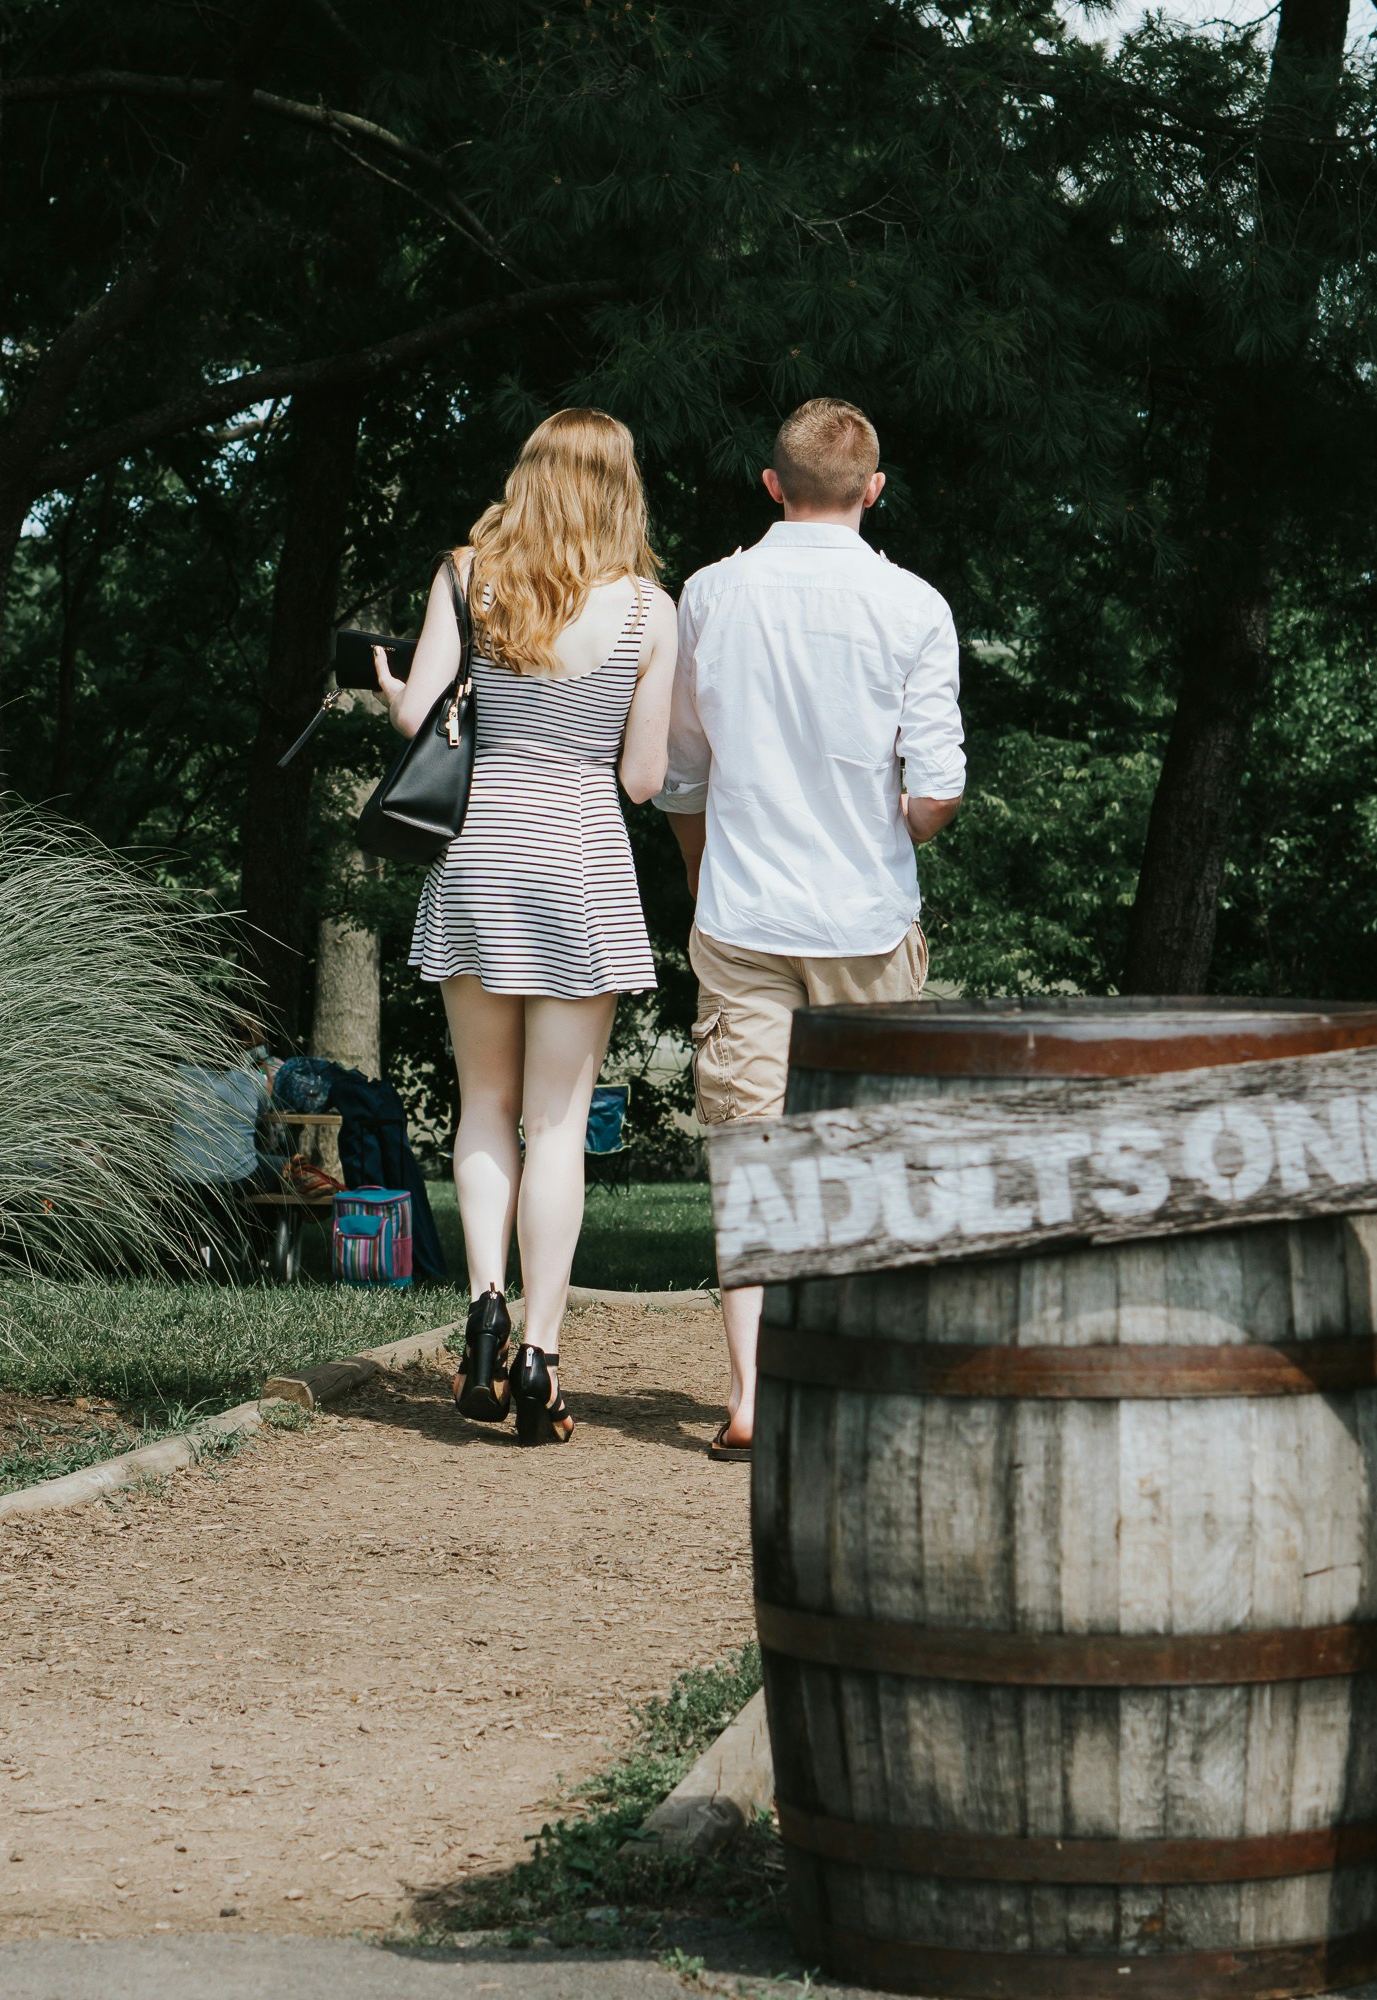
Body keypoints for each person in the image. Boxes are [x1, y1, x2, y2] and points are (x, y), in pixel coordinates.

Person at [658, 398, 964, 1460]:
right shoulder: (915, 604)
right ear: (875, 490)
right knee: (869, 1155)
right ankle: (864, 1378)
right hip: (868, 919)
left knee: (750, 1152)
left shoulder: (709, 593)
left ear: (772, 483)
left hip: (744, 913)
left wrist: (704, 880)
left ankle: (753, 1393)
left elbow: (683, 772)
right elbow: (937, 792)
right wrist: (898, 815)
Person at [373, 409, 677, 1447]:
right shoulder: (648, 609)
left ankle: (484, 1304)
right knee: (557, 1123)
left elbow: (420, 715)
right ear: (619, 489)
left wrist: (389, 693)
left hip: (481, 856)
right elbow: (642, 778)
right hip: (582, 859)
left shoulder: (468, 573)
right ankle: (541, 1354)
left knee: (483, 1108)